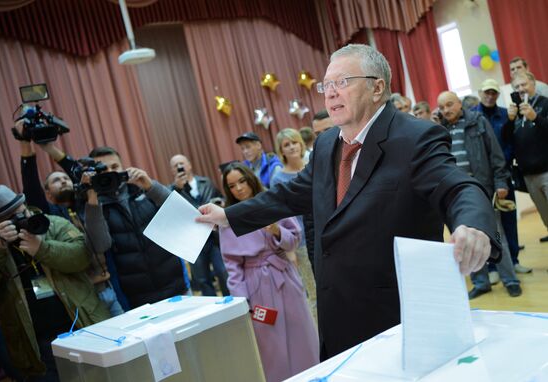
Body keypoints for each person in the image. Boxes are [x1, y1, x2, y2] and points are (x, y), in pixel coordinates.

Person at [197, 44, 500, 360]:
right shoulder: (328, 143)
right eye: (326, 85)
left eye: (342, 82)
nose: (330, 94)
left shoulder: (416, 138)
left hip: (395, 320)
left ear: (376, 87)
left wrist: (473, 225)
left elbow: (458, 187)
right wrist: (229, 216)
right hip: (336, 318)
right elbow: (290, 194)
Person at [0, 185, 110, 381]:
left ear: (25, 205)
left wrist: (42, 248)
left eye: (21, 213)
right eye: (11, 220)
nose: (21, 221)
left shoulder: (54, 224)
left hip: (81, 325)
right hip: (37, 344)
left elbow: (82, 257)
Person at [219, 163, 319, 381]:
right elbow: (232, 266)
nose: (239, 188)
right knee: (270, 343)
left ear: (250, 179)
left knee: (301, 332)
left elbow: (294, 241)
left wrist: (276, 230)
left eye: (242, 181)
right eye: (232, 185)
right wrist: (241, 300)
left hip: (284, 275)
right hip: (256, 284)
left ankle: (314, 375)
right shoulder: (228, 220)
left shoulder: (272, 203)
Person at [16, 136, 124, 317]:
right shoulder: (47, 216)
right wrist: (26, 146)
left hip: (109, 286)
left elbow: (79, 174)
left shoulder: (85, 204)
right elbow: (31, 186)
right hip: (82, 293)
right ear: (48, 194)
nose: (64, 181)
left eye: (66, 178)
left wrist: (51, 149)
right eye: (56, 180)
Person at [75, 146, 190, 309]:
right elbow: (100, 245)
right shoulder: (93, 205)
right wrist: (92, 197)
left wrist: (150, 186)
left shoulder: (142, 189)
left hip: (176, 284)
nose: (110, 172)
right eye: (103, 169)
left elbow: (181, 213)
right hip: (137, 298)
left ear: (123, 167)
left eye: (115, 167)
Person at [437, 91, 521, 298]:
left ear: (459, 103)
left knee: (497, 235)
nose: (446, 110)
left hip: (483, 191)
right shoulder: (439, 130)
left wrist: (501, 182)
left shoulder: (478, 121)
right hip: (454, 197)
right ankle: (480, 282)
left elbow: (496, 154)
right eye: (442, 107)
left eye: (449, 104)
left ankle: (510, 279)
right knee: (464, 241)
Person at [473, 79, 529, 274]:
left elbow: (513, 142)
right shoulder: (472, 117)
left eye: (493, 93)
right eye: (486, 92)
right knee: (487, 225)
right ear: (480, 92)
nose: (490, 96)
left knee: (509, 220)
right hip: (481, 180)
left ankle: (513, 261)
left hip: (504, 175)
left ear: (497, 94)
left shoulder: (506, 115)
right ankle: (493, 265)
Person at [270, 128, 317, 321]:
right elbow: (281, 216)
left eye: (294, 142)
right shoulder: (278, 179)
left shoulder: (314, 165)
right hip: (302, 243)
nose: (291, 147)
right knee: (314, 292)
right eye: (286, 145)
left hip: (327, 231)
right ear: (281, 151)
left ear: (301, 143)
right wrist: (290, 250)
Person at [169, 154, 229, 296]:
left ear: (189, 165)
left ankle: (230, 304)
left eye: (182, 163)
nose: (179, 167)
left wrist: (221, 202)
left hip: (214, 236)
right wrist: (176, 188)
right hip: (193, 241)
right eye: (175, 166)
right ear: (172, 171)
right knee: (202, 279)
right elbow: (170, 210)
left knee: (223, 272)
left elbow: (220, 197)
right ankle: (213, 311)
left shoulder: (205, 182)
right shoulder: (171, 190)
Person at [503, 72, 548, 243]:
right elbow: (507, 140)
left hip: (547, 170)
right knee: (546, 219)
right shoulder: (515, 109)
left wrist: (535, 118)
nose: (521, 89)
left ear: (533, 84)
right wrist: (509, 120)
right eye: (517, 87)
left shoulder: (545, 103)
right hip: (529, 176)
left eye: (524, 84)